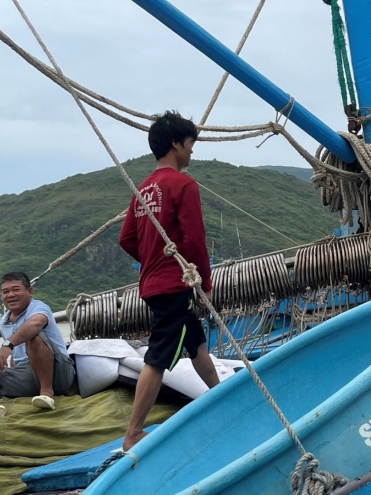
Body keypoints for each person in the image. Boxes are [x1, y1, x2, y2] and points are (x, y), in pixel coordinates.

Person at [118, 110, 219, 451]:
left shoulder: (143, 188)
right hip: (175, 285)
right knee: (158, 356)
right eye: (190, 144)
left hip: (153, 283)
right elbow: (193, 239)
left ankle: (220, 395)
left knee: (196, 344)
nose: (192, 151)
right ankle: (133, 433)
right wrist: (203, 281)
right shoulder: (183, 184)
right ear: (176, 144)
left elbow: (127, 239)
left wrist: (153, 260)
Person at [0, 272, 75, 421]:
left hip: (58, 373)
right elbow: (17, 357)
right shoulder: (5, 320)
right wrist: (9, 370)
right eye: (6, 292)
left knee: (34, 336)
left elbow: (35, 324)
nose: (10, 295)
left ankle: (46, 394)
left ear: (29, 291)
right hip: (27, 377)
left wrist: (7, 345)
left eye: (16, 290)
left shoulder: (39, 307)